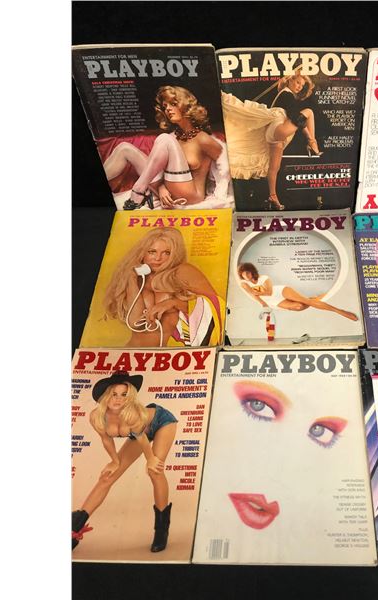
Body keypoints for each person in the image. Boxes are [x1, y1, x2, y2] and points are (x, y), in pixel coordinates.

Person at [71, 372, 178, 553]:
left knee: (155, 471)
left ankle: (162, 529)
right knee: (107, 477)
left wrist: (151, 459)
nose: (119, 399)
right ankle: (75, 526)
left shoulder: (132, 415)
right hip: (140, 431)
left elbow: (142, 438)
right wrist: (114, 461)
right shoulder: (97, 416)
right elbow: (106, 440)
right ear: (106, 395)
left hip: (161, 422)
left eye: (124, 395)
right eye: (114, 394)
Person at [103, 85, 228, 209]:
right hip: (169, 190)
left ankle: (138, 190)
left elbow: (226, 166)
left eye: (173, 104)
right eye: (165, 106)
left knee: (165, 138)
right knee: (124, 148)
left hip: (191, 195)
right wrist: (161, 188)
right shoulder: (172, 138)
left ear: (186, 105)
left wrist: (221, 195)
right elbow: (155, 170)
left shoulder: (203, 139)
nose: (168, 109)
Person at [103, 227, 222, 347]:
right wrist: (132, 280)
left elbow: (216, 305)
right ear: (142, 253)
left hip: (166, 354)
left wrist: (173, 303)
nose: (158, 258)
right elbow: (135, 322)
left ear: (175, 254)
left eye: (166, 253)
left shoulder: (182, 271)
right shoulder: (138, 277)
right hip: (131, 352)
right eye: (152, 252)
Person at [220, 71, 321, 210]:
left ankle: (272, 196)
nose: (299, 87)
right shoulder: (287, 94)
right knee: (309, 112)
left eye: (302, 86)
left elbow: (296, 119)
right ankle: (313, 143)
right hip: (278, 130)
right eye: (298, 82)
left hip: (273, 135)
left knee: (274, 169)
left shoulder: (282, 95)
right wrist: (310, 139)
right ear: (289, 80)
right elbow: (295, 117)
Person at [237, 262, 358, 321]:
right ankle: (317, 298)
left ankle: (340, 311)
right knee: (299, 306)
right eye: (243, 274)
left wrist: (257, 293)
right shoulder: (244, 284)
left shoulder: (264, 278)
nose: (245, 275)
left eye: (247, 272)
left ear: (252, 271)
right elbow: (255, 295)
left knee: (307, 302)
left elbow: (269, 292)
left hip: (280, 291)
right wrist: (263, 302)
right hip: (273, 302)